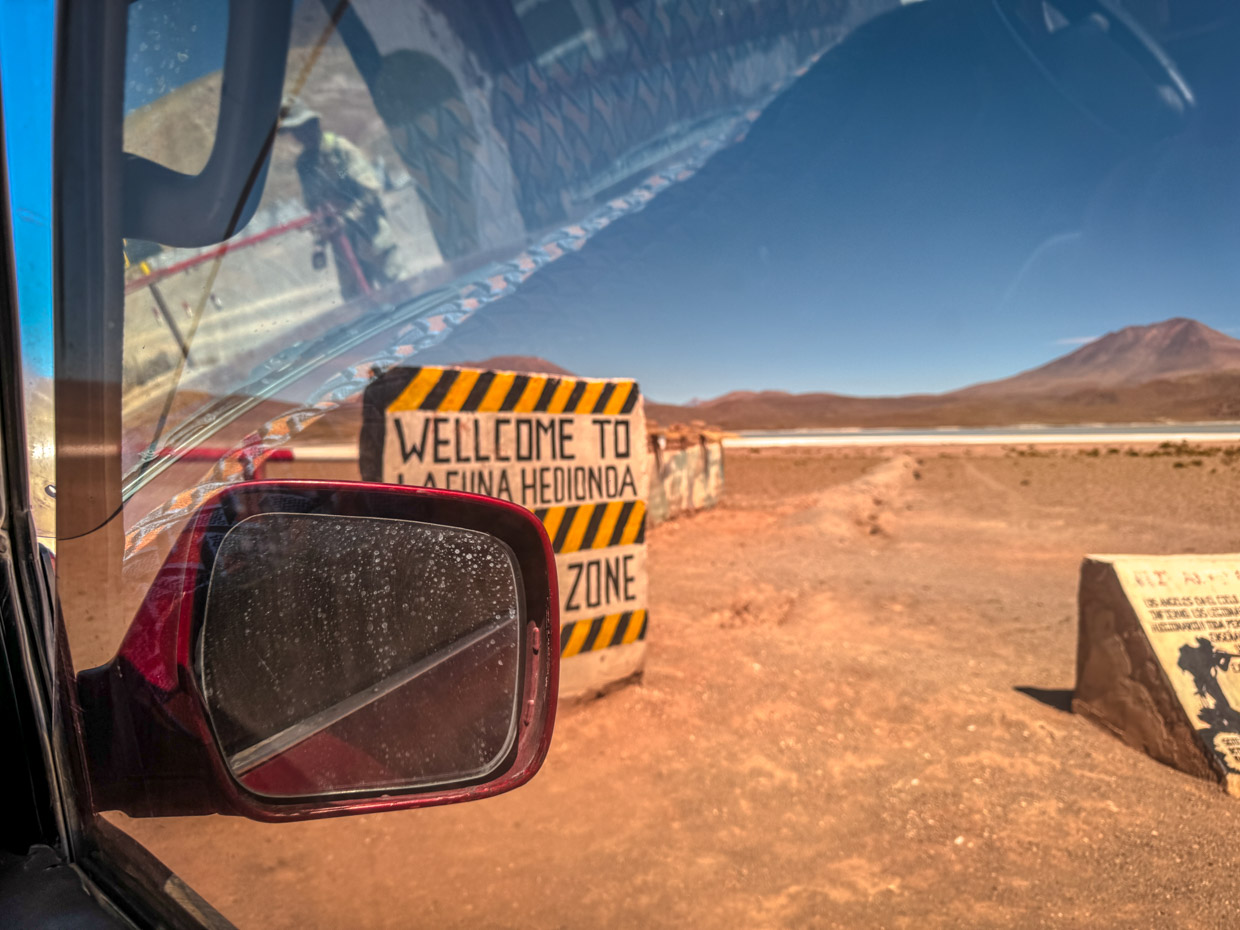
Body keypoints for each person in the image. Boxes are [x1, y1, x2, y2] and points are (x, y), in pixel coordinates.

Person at [278, 98, 409, 300]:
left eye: (302, 128)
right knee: (358, 305)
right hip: (344, 247)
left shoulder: (338, 151)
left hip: (370, 236)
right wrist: (319, 243)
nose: (300, 135)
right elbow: (317, 209)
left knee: (400, 292)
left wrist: (348, 215)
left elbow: (371, 190)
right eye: (294, 131)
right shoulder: (304, 164)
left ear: (314, 124)